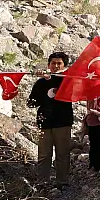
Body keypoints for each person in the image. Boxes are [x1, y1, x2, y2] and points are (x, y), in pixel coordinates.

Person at [28, 52, 73, 189]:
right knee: (44, 154)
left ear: (65, 65)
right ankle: (42, 183)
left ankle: (62, 182)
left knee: (62, 153)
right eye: (53, 63)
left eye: (59, 63)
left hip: (63, 121)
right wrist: (44, 83)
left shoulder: (69, 80)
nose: (56, 66)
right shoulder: (41, 82)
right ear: (48, 65)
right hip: (45, 122)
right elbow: (31, 103)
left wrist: (52, 79)